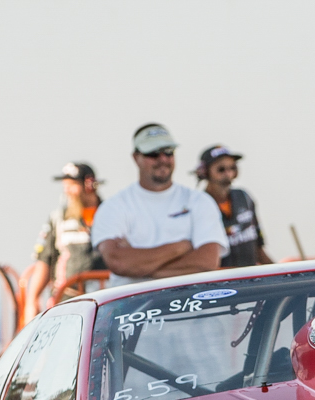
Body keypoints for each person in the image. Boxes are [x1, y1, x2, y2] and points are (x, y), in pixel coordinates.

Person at [93, 123, 227, 285]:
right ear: (136, 157)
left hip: (191, 307)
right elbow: (118, 262)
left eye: (168, 152)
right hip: (133, 308)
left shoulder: (199, 201)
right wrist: (181, 247)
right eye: (153, 153)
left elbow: (206, 263)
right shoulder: (113, 206)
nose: (163, 159)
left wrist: (138, 269)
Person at [25, 163, 104, 319]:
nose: (67, 191)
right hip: (67, 299)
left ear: (89, 185)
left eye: (72, 185)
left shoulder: (112, 214)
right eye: (65, 186)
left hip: (105, 298)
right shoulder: (58, 218)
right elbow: (44, 260)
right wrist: (32, 299)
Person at [195, 145, 272, 269]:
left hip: (251, 280)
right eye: (221, 169)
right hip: (219, 284)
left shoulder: (244, 197)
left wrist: (282, 273)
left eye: (232, 168)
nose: (228, 174)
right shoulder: (198, 205)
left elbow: (258, 248)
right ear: (205, 172)